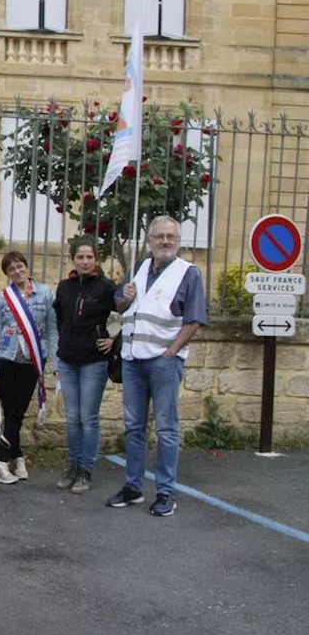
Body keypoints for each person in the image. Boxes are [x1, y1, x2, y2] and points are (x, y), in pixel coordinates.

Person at [106, 216, 206, 517]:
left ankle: (165, 492)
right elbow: (119, 306)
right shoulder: (138, 268)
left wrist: (172, 352)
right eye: (159, 236)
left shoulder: (188, 273)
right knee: (134, 427)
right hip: (134, 359)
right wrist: (123, 297)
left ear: (178, 241)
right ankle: (133, 487)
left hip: (163, 361)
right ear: (149, 240)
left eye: (171, 237)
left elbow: (194, 319)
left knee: (166, 429)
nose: (165, 241)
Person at [0, 251, 58, 485]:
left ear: (26, 267)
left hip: (31, 360)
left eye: (20, 266)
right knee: (9, 414)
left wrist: (56, 362)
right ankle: (2, 462)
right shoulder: (3, 298)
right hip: (6, 359)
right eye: (11, 268)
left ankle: (16, 456)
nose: (17, 271)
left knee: (17, 413)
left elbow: (52, 330)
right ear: (7, 273)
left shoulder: (44, 293)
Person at [53, 238, 117, 494]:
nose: (85, 262)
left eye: (90, 257)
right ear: (73, 260)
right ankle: (73, 465)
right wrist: (65, 341)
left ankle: (86, 470)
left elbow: (123, 315)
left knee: (88, 418)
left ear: (96, 260)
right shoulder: (64, 287)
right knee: (72, 418)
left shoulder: (106, 287)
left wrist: (113, 339)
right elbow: (59, 318)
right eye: (80, 257)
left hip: (94, 361)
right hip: (68, 360)